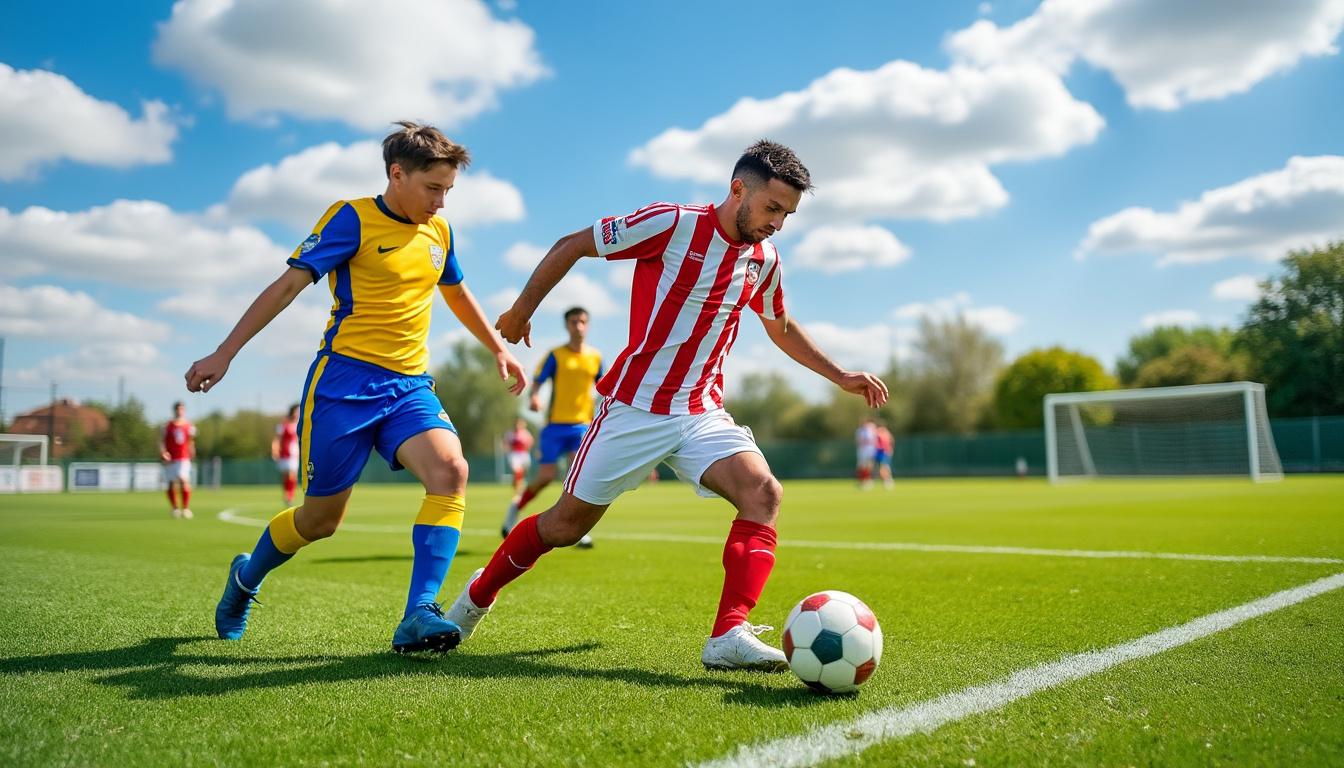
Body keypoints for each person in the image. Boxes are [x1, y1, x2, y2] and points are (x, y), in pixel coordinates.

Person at [444, 140, 888, 672]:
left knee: (763, 491)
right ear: (737, 189)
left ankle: (728, 634)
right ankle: (476, 599)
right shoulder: (671, 224)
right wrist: (520, 310)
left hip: (701, 411)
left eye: (787, 214)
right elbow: (572, 245)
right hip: (633, 409)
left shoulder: (765, 260)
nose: (778, 224)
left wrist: (839, 374)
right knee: (563, 526)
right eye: (772, 209)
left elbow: (780, 325)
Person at [185, 121, 526, 654]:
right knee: (321, 521)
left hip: (409, 386)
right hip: (343, 385)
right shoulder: (352, 219)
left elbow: (456, 293)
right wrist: (225, 352)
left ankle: (419, 612)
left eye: (448, 191)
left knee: (451, 470)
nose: (441, 202)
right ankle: (246, 579)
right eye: (433, 188)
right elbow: (287, 287)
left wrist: (497, 348)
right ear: (397, 174)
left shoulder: (440, 232)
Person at [500, 306, 602, 549]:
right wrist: (534, 396)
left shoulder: (596, 358)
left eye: (582, 321)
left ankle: (576, 530)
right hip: (555, 426)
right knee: (546, 477)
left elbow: (605, 386)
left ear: (587, 325)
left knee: (578, 479)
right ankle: (516, 507)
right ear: (566, 325)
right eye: (574, 321)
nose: (578, 326)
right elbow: (538, 380)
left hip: (581, 426)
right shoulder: (555, 355)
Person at [160, 401, 196, 519]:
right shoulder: (167, 426)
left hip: (183, 457)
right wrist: (163, 452)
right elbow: (162, 441)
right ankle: (175, 508)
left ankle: (185, 508)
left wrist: (192, 450)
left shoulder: (189, 425)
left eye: (182, 409)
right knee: (171, 483)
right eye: (178, 409)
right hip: (171, 458)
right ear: (174, 410)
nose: (180, 411)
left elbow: (191, 441)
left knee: (183, 479)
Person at [272, 404, 301, 506]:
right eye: (296, 411)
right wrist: (275, 449)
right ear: (292, 412)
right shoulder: (284, 424)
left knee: (293, 476)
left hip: (295, 454)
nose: (298, 413)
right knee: (285, 476)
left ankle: (290, 496)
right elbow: (277, 439)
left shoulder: (299, 424)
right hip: (284, 454)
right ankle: (286, 494)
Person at [504, 418, 534, 497]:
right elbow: (506, 443)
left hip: (524, 454)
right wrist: (508, 449)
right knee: (517, 471)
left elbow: (531, 442)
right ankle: (517, 490)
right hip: (514, 455)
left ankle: (518, 487)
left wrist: (527, 447)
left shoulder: (526, 433)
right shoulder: (510, 434)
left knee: (521, 474)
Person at [855, 419, 877, 489]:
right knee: (861, 467)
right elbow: (859, 441)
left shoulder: (871, 430)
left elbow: (873, 440)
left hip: (870, 451)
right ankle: (862, 481)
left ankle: (868, 481)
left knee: (869, 467)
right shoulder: (859, 431)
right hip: (862, 451)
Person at [874, 423, 894, 490]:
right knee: (884, 468)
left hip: (884, 452)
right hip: (880, 452)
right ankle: (887, 480)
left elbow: (891, 441)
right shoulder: (881, 432)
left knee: (884, 468)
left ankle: (887, 480)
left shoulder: (885, 433)